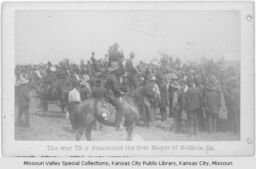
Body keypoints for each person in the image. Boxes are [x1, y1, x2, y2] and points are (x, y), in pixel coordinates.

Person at [105, 62, 124, 130]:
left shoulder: (108, 76)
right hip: (111, 96)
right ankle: (118, 125)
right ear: (115, 70)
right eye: (117, 69)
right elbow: (115, 88)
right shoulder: (113, 77)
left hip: (107, 94)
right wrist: (121, 92)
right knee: (120, 108)